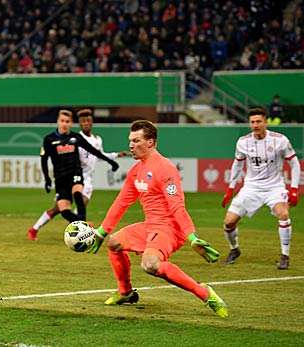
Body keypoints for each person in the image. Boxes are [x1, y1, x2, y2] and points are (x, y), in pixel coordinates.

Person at [85, 120, 227, 317]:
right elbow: (121, 202)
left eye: (136, 140)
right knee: (114, 243)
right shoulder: (136, 171)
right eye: (130, 141)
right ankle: (125, 292)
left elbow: (177, 206)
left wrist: (192, 237)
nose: (131, 145)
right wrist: (101, 232)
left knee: (150, 264)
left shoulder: (165, 169)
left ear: (150, 142)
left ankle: (205, 293)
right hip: (150, 226)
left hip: (169, 228)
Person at [27, 108, 127, 240]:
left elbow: (94, 152)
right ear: (57, 121)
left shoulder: (76, 137)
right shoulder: (49, 139)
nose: (64, 123)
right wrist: (47, 179)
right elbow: (44, 160)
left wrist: (111, 161)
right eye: (62, 121)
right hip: (61, 179)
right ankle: (37, 229)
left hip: (76, 174)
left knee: (79, 195)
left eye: (67, 121)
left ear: (71, 123)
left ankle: (82, 231)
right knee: (62, 211)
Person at [221, 107, 300, 269]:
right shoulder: (243, 142)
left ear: (265, 122)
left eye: (258, 121)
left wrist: (293, 188)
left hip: (274, 187)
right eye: (252, 122)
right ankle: (234, 249)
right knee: (229, 222)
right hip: (251, 188)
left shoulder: (280, 140)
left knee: (283, 214)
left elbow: (294, 163)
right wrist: (230, 188)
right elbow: (237, 164)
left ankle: (285, 256)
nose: (255, 125)